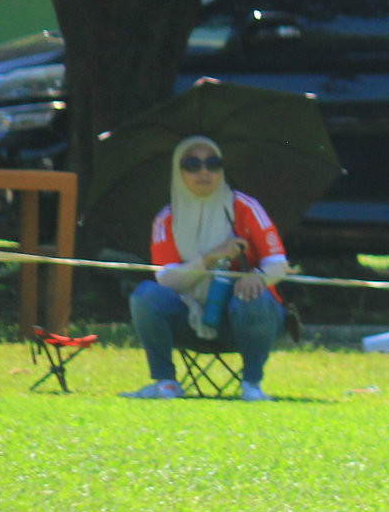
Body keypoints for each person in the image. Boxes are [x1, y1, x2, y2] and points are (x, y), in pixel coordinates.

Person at [123, 135, 289, 401]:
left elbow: (279, 264)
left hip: (246, 318)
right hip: (189, 318)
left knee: (253, 295)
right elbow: (166, 279)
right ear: (179, 171)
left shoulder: (245, 207)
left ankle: (252, 386)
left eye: (213, 163)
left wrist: (257, 277)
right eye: (192, 164)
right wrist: (210, 257)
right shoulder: (165, 218)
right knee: (145, 295)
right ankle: (166, 383)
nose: (204, 171)